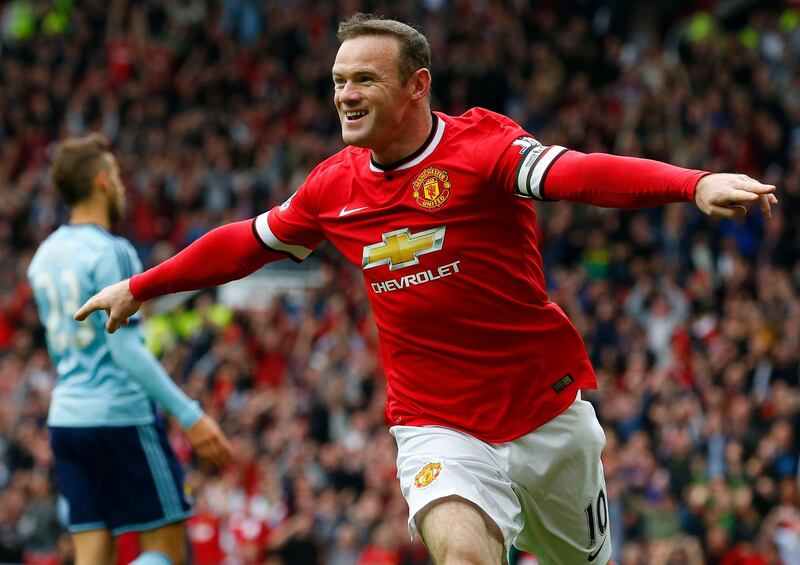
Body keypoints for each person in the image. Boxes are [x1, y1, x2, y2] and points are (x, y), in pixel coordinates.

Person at [75, 14, 777, 565]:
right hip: (436, 421)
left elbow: (581, 173)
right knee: (465, 552)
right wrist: (141, 286)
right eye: (339, 79)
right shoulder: (334, 186)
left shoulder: (483, 149)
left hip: (545, 416)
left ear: (417, 85)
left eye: (365, 80)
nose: (346, 94)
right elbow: (247, 242)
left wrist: (694, 183)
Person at [28, 134, 233, 565]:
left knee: (92, 557)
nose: (121, 185)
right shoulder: (113, 252)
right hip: (121, 417)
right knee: (166, 552)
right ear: (102, 181)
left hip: (66, 421)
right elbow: (125, 351)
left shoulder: (42, 257)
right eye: (117, 176)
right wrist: (191, 416)